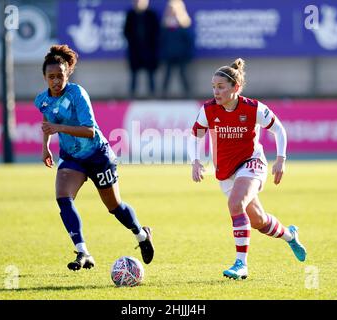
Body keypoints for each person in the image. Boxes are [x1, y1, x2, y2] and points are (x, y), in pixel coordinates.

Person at [34, 44, 154, 271]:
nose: (56, 81)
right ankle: (83, 251)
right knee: (63, 198)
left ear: (68, 72)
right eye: (51, 77)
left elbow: (89, 130)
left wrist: (58, 128)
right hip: (72, 158)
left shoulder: (78, 94)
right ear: (44, 77)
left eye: (60, 75)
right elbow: (47, 123)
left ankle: (141, 234)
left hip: (98, 155)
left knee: (114, 207)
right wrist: (45, 147)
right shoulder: (42, 100)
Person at [187, 58, 307, 280]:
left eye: (221, 87)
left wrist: (281, 159)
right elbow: (196, 134)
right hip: (225, 172)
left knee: (235, 204)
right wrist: (195, 161)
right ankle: (290, 235)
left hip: (252, 163)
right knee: (258, 221)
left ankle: (241, 265)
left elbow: (279, 130)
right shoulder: (209, 110)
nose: (216, 91)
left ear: (236, 87)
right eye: (213, 87)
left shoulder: (253, 108)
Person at [123, 0, 160, 98]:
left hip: (149, 50)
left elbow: (157, 32)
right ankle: (132, 95)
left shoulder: (151, 15)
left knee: (151, 75)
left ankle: (153, 95)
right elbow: (126, 31)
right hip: (135, 51)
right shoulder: (131, 15)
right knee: (134, 75)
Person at [160, 0, 194, 98]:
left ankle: (188, 95)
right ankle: (163, 95)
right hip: (169, 54)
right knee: (167, 75)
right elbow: (162, 40)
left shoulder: (184, 24)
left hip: (181, 55)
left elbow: (189, 40)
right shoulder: (165, 25)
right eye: (170, 10)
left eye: (174, 10)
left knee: (183, 74)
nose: (172, 12)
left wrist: (179, 25)